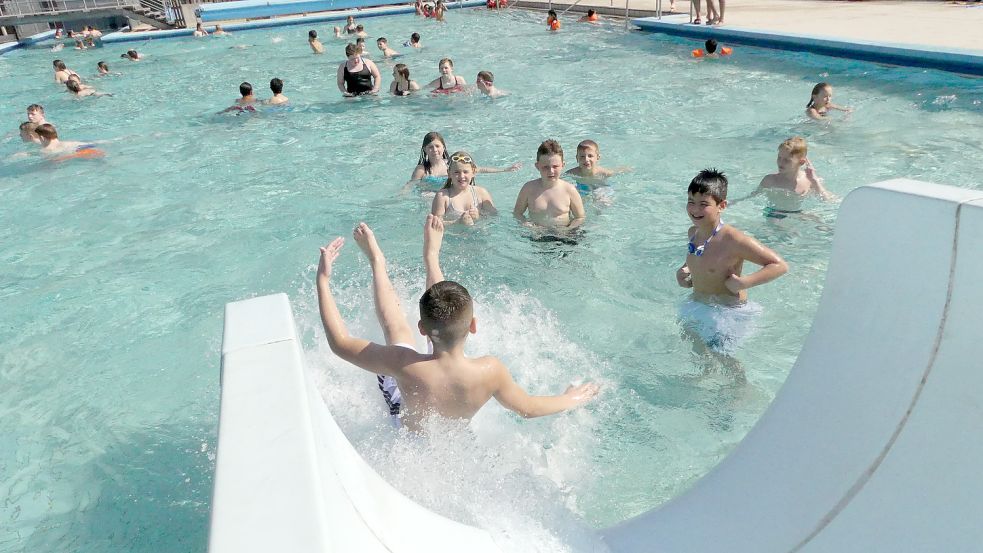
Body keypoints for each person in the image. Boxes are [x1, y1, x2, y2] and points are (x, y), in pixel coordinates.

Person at [315, 216, 600, 432]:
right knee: (433, 310)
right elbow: (528, 408)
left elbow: (340, 343)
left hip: (406, 429)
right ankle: (432, 257)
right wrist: (571, 399)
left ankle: (378, 261)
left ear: (423, 329)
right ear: (473, 326)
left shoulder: (404, 363)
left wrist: (324, 281)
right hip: (449, 434)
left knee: (397, 331)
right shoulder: (490, 372)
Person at [675, 169, 788, 358]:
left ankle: (740, 386)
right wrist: (685, 271)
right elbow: (700, 258)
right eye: (691, 202)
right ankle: (704, 381)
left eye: (704, 204)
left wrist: (745, 282)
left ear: (722, 205)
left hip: (727, 312)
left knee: (724, 357)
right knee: (697, 350)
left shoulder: (733, 240)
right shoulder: (693, 233)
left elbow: (779, 265)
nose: (695, 209)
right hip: (699, 303)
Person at [735, 137, 835, 218]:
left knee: (821, 223)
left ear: (801, 162)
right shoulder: (770, 180)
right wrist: (733, 203)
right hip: (774, 214)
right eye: (779, 158)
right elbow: (751, 197)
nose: (780, 163)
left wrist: (815, 181)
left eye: (787, 160)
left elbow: (830, 202)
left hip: (798, 214)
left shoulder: (809, 181)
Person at [513, 140, 586, 230]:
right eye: (545, 167)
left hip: (564, 234)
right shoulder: (528, 189)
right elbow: (517, 213)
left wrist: (568, 229)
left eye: (555, 166)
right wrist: (527, 225)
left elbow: (580, 217)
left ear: (563, 165)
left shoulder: (569, 190)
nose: (551, 171)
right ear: (537, 166)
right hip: (537, 234)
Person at [409, 131, 522, 188]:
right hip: (429, 196)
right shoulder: (422, 169)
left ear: (443, 147)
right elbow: (411, 185)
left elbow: (479, 169)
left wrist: (504, 170)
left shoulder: (452, 163)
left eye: (437, 146)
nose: (434, 150)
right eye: (430, 147)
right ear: (425, 149)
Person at [432, 151, 497, 225]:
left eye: (465, 172)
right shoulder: (442, 196)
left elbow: (494, 218)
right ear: (449, 173)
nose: (461, 176)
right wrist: (457, 222)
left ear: (473, 172)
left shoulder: (481, 193)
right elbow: (434, 224)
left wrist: (479, 216)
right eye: (456, 172)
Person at [564, 139, 630, 203]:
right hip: (582, 187)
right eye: (582, 156)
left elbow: (615, 172)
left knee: (603, 201)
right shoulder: (573, 173)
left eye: (590, 156)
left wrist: (627, 169)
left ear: (598, 157)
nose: (586, 159)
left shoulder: (602, 173)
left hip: (599, 187)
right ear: (577, 158)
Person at [34, 123, 104, 159]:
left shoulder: (46, 150)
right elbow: (93, 144)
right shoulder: (69, 143)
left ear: (42, 137)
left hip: (79, 154)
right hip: (90, 149)